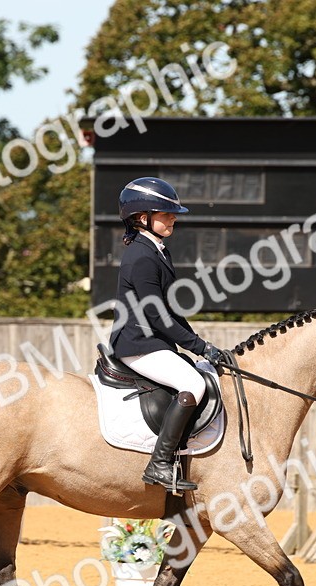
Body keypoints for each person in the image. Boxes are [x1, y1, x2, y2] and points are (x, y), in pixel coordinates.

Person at [108, 176, 224, 491]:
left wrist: (203, 347)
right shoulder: (142, 256)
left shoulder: (157, 250)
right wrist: (199, 347)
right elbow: (155, 315)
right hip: (138, 344)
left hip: (154, 341)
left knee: (201, 371)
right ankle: (159, 464)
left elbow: (171, 311)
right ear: (141, 217)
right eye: (165, 213)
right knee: (193, 383)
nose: (173, 218)